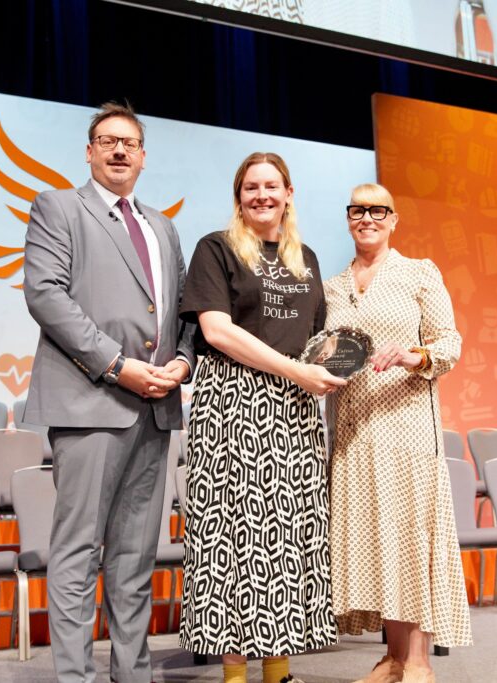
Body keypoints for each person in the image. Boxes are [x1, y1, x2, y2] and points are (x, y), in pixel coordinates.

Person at [22, 101, 195, 683]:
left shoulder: (163, 226)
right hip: (90, 402)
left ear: (143, 157)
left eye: (129, 142)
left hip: (156, 409)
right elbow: (46, 296)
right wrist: (117, 366)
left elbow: (183, 317)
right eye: (106, 140)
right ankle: (75, 677)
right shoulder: (58, 207)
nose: (118, 150)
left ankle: (133, 673)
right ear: (90, 151)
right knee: (78, 553)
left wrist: (182, 362)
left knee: (135, 558)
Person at [179, 152, 346, 683]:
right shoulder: (217, 248)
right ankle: (234, 675)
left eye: (271, 186)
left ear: (289, 192)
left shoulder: (308, 259)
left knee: (287, 539)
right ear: (239, 196)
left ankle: (278, 672)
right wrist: (297, 374)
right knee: (232, 539)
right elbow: (216, 331)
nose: (261, 195)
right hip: (232, 401)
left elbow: (318, 339)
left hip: (294, 412)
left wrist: (338, 364)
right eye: (250, 187)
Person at [324, 184, 471, 683]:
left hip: (407, 425)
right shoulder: (333, 285)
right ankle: (391, 656)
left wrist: (414, 356)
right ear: (348, 219)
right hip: (354, 428)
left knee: (411, 537)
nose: (367, 217)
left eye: (377, 210)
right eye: (358, 210)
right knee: (377, 540)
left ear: (393, 219)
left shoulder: (418, 272)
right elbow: (324, 352)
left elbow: (449, 343)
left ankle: (419, 661)